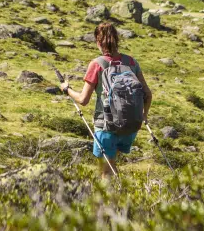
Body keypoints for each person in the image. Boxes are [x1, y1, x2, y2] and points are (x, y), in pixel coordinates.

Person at [59, 22, 153, 175]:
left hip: (106, 125)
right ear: (117, 39)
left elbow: (83, 99)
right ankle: (121, 192)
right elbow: (147, 94)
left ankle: (116, 196)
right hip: (130, 127)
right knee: (111, 164)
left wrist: (66, 89)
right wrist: (144, 115)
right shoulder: (131, 62)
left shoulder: (97, 64)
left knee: (105, 172)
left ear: (98, 41)